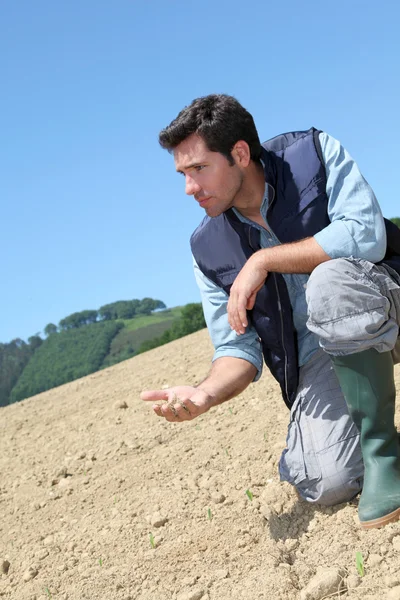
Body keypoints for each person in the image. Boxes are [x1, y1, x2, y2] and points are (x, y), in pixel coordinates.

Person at [141, 94, 400, 529]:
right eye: (183, 174)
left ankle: (382, 454)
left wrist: (263, 260)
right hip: (323, 352)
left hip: (387, 294)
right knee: (326, 480)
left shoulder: (313, 155)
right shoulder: (206, 248)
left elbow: (365, 234)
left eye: (199, 169)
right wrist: (205, 393)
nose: (189, 188)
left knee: (329, 282)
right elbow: (236, 347)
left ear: (239, 154)